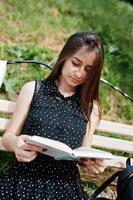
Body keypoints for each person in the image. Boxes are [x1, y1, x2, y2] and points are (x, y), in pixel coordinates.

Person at [0, 32, 106, 200]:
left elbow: (84, 150)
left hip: (65, 185)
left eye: (88, 70)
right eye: (75, 63)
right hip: (27, 177)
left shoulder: (91, 108)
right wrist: (16, 144)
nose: (79, 73)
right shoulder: (33, 90)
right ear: (64, 57)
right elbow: (8, 136)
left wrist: (90, 160)